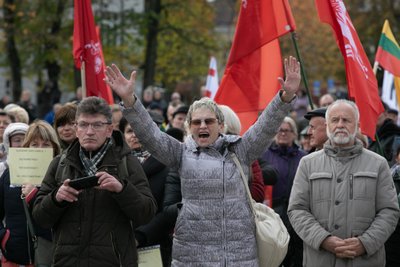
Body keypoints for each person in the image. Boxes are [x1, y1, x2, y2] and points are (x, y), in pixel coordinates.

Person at [105, 56, 301, 266]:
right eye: (196, 122)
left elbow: (266, 126)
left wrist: (285, 96)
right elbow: (151, 135)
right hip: (192, 257)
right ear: (189, 126)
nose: (203, 126)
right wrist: (130, 101)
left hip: (238, 258)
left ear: (221, 124)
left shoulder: (241, 149)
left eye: (209, 121)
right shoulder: (180, 154)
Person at [32, 97, 156, 266]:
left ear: (109, 130)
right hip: (67, 262)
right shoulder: (59, 164)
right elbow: (40, 218)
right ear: (76, 129)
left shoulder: (126, 162)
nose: (89, 131)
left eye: (97, 125)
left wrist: (121, 190)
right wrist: (56, 198)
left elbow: (146, 213)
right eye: (83, 124)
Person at [288, 99, 400, 267]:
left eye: (346, 120)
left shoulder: (378, 164)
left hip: (365, 261)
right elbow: (297, 210)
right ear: (327, 125)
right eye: (335, 120)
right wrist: (324, 240)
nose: (340, 124)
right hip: (320, 260)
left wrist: (365, 243)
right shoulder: (307, 164)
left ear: (357, 124)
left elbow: (389, 211)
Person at [259, 116, 306, 267]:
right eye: (279, 130)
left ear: (294, 134)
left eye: (287, 130)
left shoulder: (303, 157)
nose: (283, 133)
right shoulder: (264, 155)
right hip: (272, 213)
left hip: (296, 215)